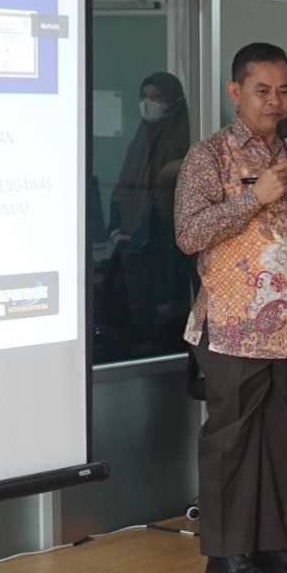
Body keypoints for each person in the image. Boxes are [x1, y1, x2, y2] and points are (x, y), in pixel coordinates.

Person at [174, 45, 287, 573]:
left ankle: (275, 544)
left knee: (278, 439)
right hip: (231, 325)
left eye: (283, 90)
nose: (275, 102)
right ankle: (225, 554)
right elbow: (189, 235)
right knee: (230, 440)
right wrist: (258, 198)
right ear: (235, 93)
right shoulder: (210, 157)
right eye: (262, 91)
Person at [97, 72, 193, 361]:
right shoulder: (140, 139)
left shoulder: (180, 143)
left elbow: (169, 204)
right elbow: (124, 188)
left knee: (158, 328)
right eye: (144, 96)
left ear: (173, 103)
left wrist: (139, 236)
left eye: (156, 98)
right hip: (130, 249)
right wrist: (116, 231)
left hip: (161, 251)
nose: (147, 103)